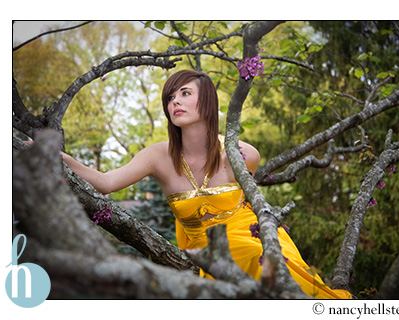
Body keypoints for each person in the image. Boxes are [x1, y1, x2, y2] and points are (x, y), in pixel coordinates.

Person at [61, 69, 351, 299]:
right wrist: (52, 152)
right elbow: (105, 182)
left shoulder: (242, 154)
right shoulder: (156, 157)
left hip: (251, 237)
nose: (174, 101)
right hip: (204, 246)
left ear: (208, 101)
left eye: (185, 93)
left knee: (262, 260)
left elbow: (252, 205)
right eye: (170, 97)